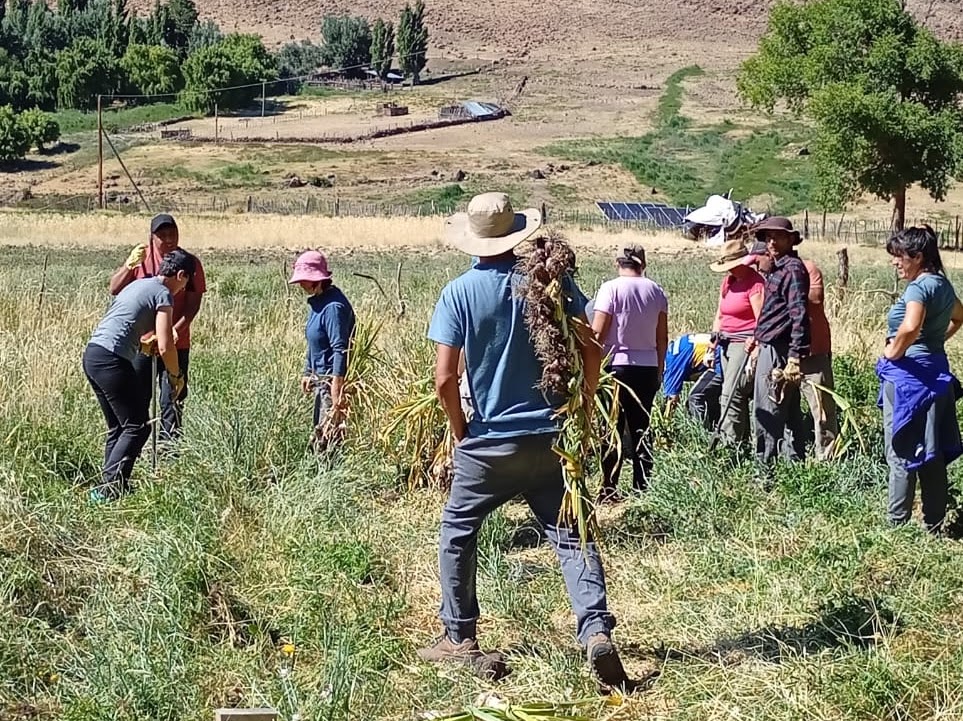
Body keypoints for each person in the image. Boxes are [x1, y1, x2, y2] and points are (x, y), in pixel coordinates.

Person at [422, 192, 628, 688]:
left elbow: (445, 379)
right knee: (570, 534)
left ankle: (460, 635)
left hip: (488, 441)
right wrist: (581, 398)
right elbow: (591, 343)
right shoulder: (547, 284)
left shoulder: (458, 293)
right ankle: (595, 631)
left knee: (458, 533)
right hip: (551, 440)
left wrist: (459, 431)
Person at [83, 250, 195, 501]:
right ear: (180, 275)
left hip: (94, 354)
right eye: (185, 283)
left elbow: (126, 322)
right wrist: (176, 377)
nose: (182, 289)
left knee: (119, 427)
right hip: (112, 360)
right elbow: (166, 345)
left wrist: (142, 345)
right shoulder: (163, 293)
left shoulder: (140, 284)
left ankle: (111, 486)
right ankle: (108, 489)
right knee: (137, 426)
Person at [877, 226, 963, 533]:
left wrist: (894, 352)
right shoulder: (942, 284)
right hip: (937, 374)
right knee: (932, 449)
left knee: (901, 447)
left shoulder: (917, 288)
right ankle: (934, 523)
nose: (895, 262)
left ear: (917, 256)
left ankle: (896, 525)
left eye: (899, 256)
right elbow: (959, 316)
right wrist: (936, 341)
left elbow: (910, 326)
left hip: (908, 379)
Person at [109, 214, 206, 444]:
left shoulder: (188, 263)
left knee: (173, 395)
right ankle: (137, 445)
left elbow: (193, 305)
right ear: (151, 237)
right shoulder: (141, 260)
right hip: (142, 343)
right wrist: (128, 266)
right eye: (162, 235)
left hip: (176, 342)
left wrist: (175, 331)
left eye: (172, 234)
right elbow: (114, 288)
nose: (168, 239)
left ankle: (168, 449)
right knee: (139, 396)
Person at [747, 239, 838, 459]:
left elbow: (811, 301)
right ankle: (791, 458)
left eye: (758, 261)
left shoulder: (805, 269)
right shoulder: (772, 277)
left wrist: (787, 292)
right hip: (783, 351)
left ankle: (827, 462)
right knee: (785, 407)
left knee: (821, 410)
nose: (757, 268)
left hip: (813, 350)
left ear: (769, 254)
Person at [592, 245, 668, 496]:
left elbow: (598, 333)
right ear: (642, 265)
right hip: (646, 367)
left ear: (618, 263)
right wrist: (658, 371)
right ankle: (641, 487)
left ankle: (609, 487)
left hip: (615, 367)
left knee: (611, 428)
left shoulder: (610, 288)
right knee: (641, 427)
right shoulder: (656, 291)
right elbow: (662, 337)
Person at [745, 217, 811, 478]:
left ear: (790, 239)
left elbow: (799, 315)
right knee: (790, 410)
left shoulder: (792, 269)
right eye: (768, 237)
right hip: (772, 344)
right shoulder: (777, 269)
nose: (772, 242)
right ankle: (794, 468)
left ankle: (764, 472)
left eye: (778, 237)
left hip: (779, 350)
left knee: (767, 409)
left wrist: (794, 356)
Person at [288, 250, 356, 441]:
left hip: (330, 382)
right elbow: (314, 341)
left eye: (305, 280)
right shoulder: (318, 303)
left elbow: (340, 349)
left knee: (328, 440)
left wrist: (337, 388)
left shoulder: (333, 307)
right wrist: (308, 371)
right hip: (320, 381)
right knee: (319, 435)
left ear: (317, 280)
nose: (301, 284)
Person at [709, 239, 765, 447]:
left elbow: (762, 319)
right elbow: (720, 313)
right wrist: (713, 340)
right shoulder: (728, 282)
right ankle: (742, 442)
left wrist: (756, 347)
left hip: (744, 343)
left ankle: (729, 443)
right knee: (732, 392)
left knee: (731, 393)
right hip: (725, 342)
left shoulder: (755, 283)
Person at [662, 333, 723, 431]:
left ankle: (701, 434)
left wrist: (664, 428)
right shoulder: (673, 350)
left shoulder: (671, 364)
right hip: (722, 352)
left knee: (694, 398)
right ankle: (717, 430)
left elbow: (672, 400)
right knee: (708, 397)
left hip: (718, 361)